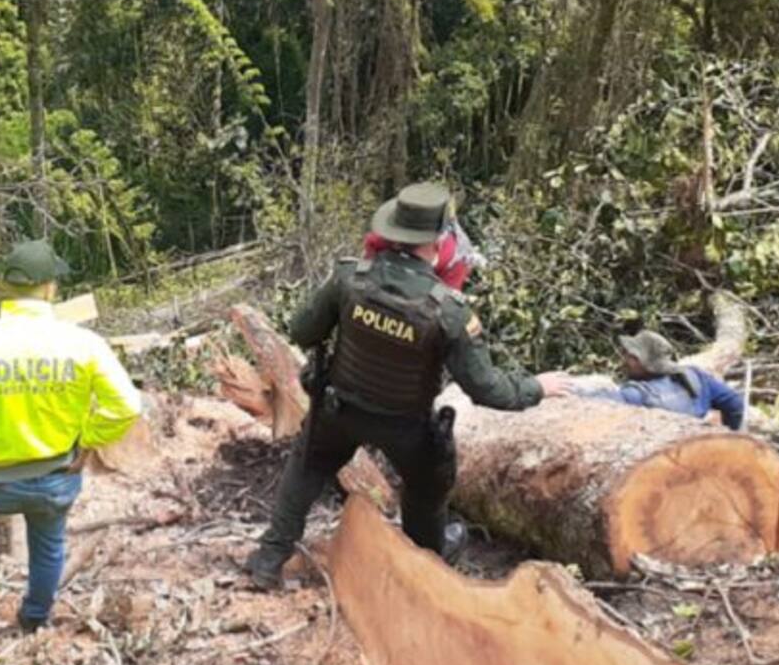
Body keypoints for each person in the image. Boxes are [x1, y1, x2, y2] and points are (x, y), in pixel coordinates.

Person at [244, 182, 572, 589]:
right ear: (438, 241)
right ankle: (426, 568)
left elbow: (302, 331)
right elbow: (489, 390)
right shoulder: (448, 310)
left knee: (307, 465)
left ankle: (268, 558)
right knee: (428, 485)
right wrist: (535, 387)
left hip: (339, 408)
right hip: (405, 426)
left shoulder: (351, 278)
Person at [0, 241, 143, 643]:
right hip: (58, 475)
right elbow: (127, 405)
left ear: (7, 287)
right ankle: (34, 620)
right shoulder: (82, 342)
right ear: (49, 288)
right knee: (49, 544)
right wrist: (87, 442)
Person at [579, 329, 746, 430]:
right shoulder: (696, 377)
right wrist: (731, 434)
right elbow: (735, 404)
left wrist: (569, 391)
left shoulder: (638, 396)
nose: (624, 360)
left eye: (630, 356)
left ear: (642, 362)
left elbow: (600, 400)